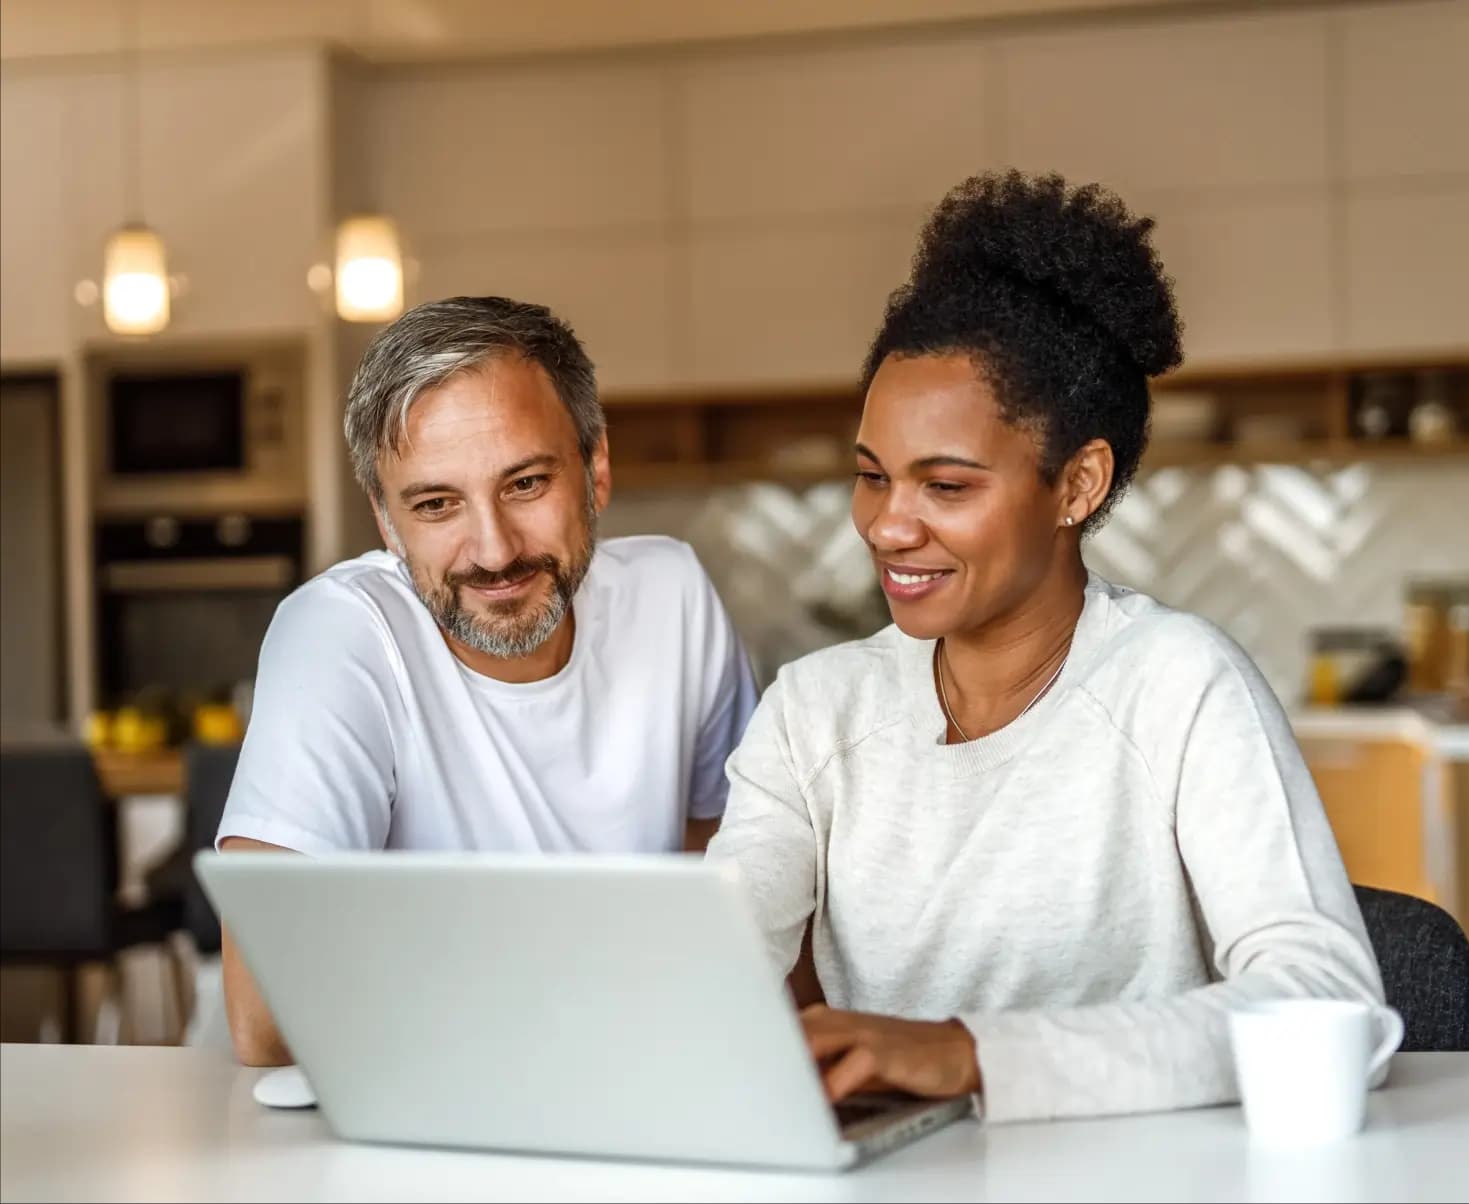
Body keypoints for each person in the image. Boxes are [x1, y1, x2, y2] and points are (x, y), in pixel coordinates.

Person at [705, 171, 1384, 1123]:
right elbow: (712, 969)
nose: (888, 527)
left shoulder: (1178, 684)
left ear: (1078, 485)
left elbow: (1330, 999)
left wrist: (972, 1054)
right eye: (872, 477)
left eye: (945, 487)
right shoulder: (815, 712)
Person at [218, 296, 758, 1065]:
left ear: (595, 469)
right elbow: (267, 1019)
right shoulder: (338, 634)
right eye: (437, 504)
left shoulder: (673, 595)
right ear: (385, 521)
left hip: (625, 1080)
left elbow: (743, 892)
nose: (495, 550)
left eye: (526, 484)